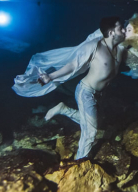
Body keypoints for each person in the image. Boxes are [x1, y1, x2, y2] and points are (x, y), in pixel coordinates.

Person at [12, 17, 126, 160]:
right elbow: (73, 65)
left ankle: (63, 109)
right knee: (90, 131)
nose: (124, 30)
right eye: (120, 28)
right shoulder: (94, 46)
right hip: (86, 92)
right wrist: (50, 77)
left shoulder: (120, 48)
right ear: (111, 33)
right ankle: (79, 163)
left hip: (100, 94)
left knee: (96, 124)